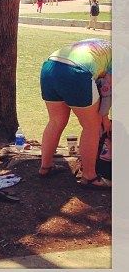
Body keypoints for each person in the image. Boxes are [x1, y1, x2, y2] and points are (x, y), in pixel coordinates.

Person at [39, 38, 111, 189]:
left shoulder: (103, 44)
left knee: (55, 121)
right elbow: (106, 91)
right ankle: (89, 177)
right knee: (92, 126)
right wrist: (105, 118)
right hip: (76, 73)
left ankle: (45, 167)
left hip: (49, 67)